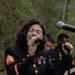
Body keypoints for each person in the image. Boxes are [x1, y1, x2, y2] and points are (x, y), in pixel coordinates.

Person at [5, 19, 73, 75]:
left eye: (38, 32)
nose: (34, 34)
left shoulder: (43, 54)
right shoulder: (13, 50)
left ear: (42, 37)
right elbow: (12, 73)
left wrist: (65, 55)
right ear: (25, 33)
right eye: (31, 31)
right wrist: (30, 54)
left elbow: (54, 74)